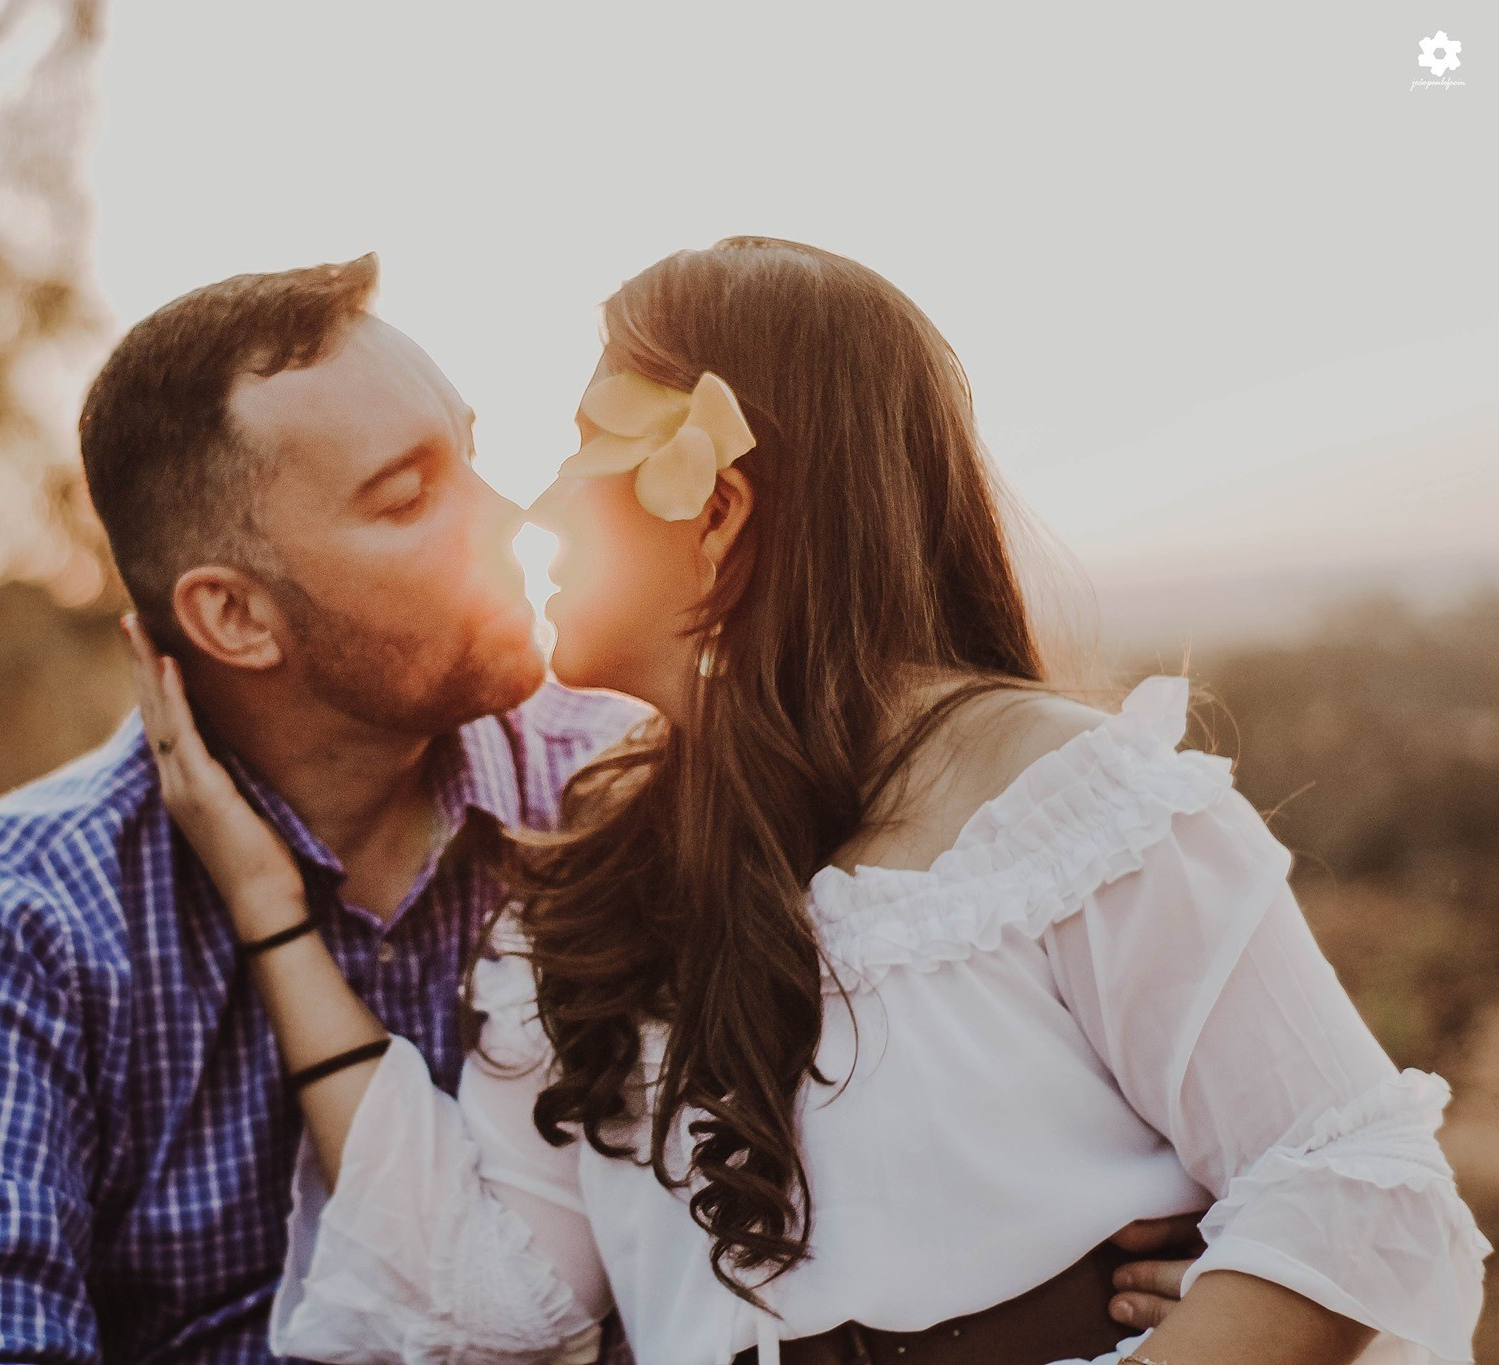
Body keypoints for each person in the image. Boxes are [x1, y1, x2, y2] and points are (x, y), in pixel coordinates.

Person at [0, 252, 1201, 1365]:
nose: (517, 505)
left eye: (471, 442)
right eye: (411, 493)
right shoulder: (27, 915)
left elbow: (964, 1035)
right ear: (237, 615)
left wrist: (1133, 1258)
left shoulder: (647, 790)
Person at [123, 238, 1493, 1365]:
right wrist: (270, 911)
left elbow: (1347, 1185)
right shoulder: (581, 905)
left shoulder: (1078, 814)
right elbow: (479, 1294)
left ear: (716, 507)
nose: (533, 507)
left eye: (581, 447)